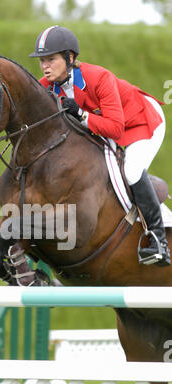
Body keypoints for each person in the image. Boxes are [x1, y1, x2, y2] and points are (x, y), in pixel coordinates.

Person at [29, 25, 170, 267]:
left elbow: (115, 128)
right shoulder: (46, 86)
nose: (45, 66)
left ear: (69, 57)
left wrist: (82, 115)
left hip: (141, 120)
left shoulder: (98, 78)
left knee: (131, 170)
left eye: (51, 59)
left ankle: (158, 239)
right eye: (42, 60)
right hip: (106, 123)